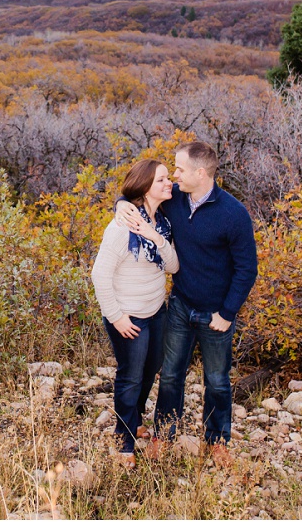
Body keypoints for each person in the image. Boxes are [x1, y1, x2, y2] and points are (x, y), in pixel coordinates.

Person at [115, 141, 257, 468]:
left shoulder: (233, 214)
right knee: (170, 377)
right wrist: (121, 202)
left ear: (200, 172)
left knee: (218, 381)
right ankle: (164, 435)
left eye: (179, 169)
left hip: (216, 313)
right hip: (180, 305)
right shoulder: (175, 199)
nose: (174, 176)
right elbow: (140, 193)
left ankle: (217, 441)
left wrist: (227, 313)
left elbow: (247, 268)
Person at [90, 158, 179, 468]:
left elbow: (172, 266)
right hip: (128, 316)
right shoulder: (120, 228)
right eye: (162, 180)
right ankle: (124, 439)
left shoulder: (162, 223)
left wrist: (154, 235)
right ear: (144, 187)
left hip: (156, 311)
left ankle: (133, 417)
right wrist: (116, 317)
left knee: (150, 369)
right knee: (130, 376)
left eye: (169, 177)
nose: (170, 183)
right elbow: (99, 275)